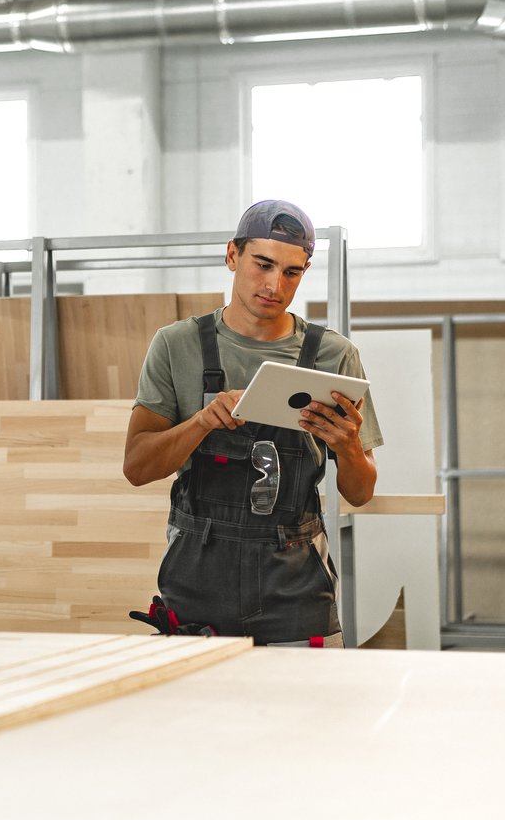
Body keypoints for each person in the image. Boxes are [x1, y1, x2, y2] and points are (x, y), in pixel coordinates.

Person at [122, 200, 382, 646]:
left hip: (296, 596)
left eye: (291, 272)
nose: (274, 284)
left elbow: (360, 492)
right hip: (195, 594)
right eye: (262, 265)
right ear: (231, 256)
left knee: (306, 715)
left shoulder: (334, 357)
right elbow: (137, 467)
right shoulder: (176, 345)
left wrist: (350, 446)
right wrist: (201, 422)